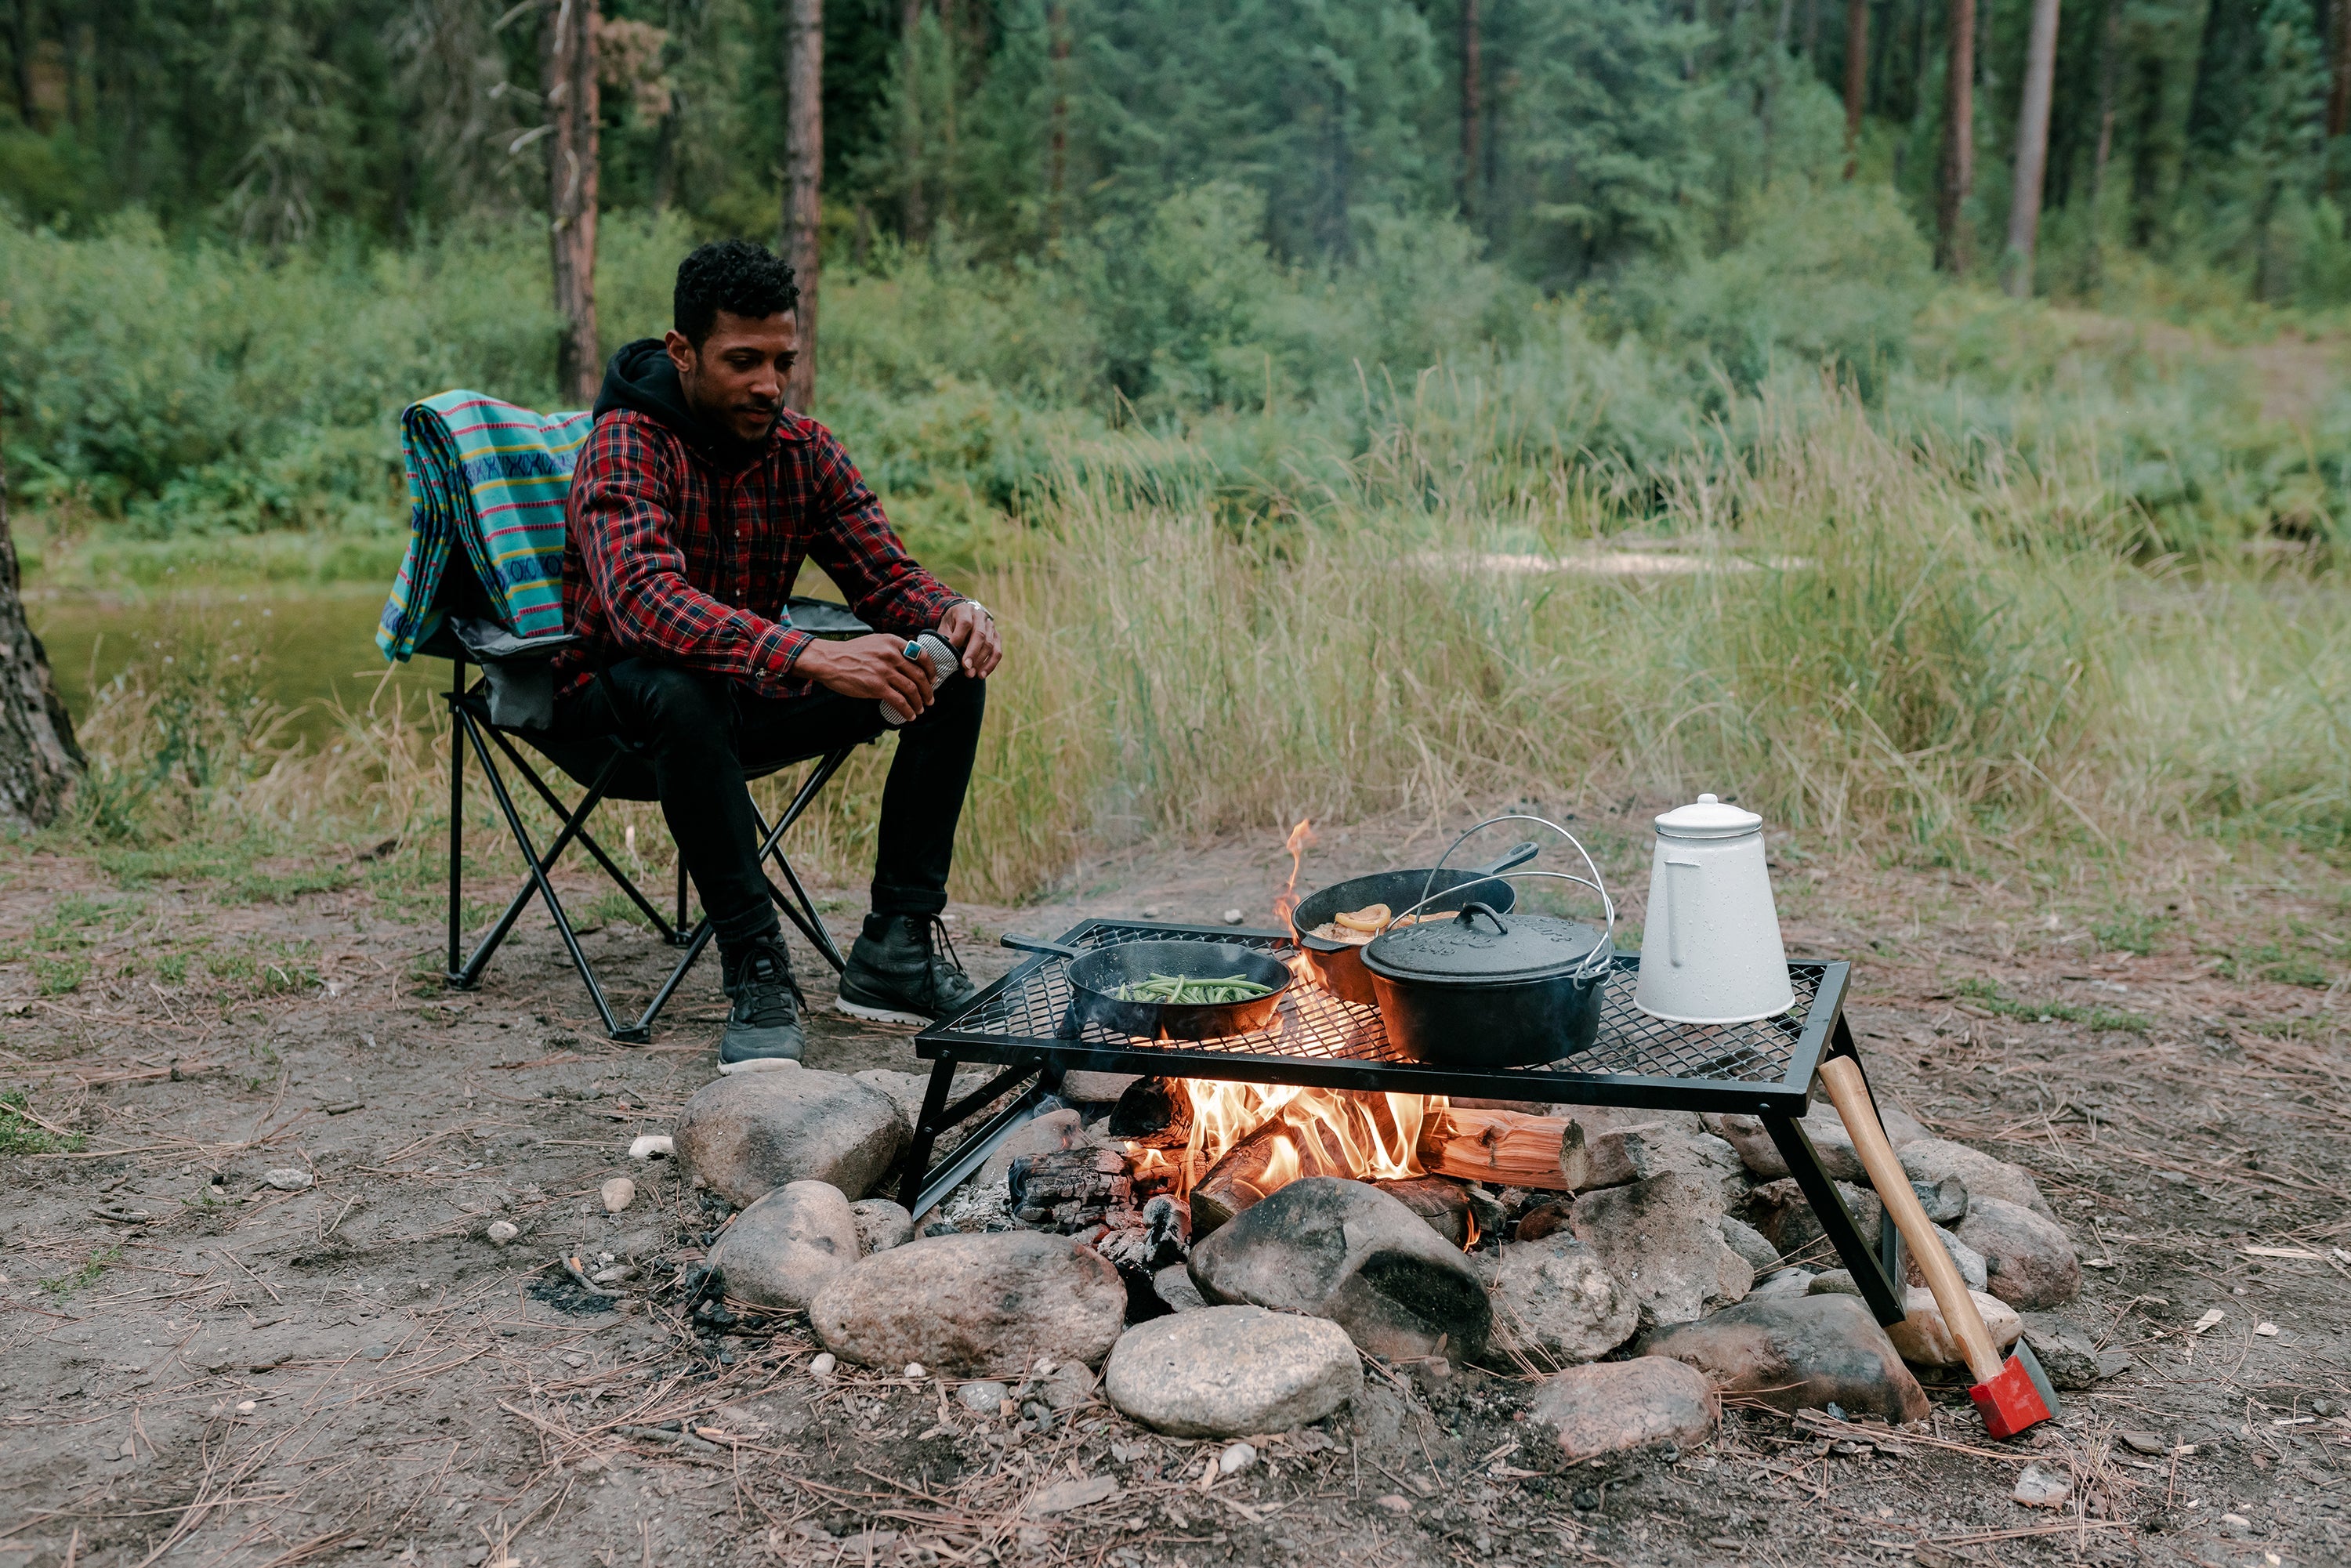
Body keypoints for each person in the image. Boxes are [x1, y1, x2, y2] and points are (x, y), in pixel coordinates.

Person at [550, 239, 1001, 1070]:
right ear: (682, 351)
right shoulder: (625, 445)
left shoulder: (804, 451)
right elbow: (645, 604)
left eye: (782, 361)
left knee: (943, 667)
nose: (768, 383)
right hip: (614, 718)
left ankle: (896, 951)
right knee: (678, 686)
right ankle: (756, 965)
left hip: (746, 697)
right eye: (743, 360)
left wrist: (953, 613)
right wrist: (809, 654)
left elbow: (883, 573)